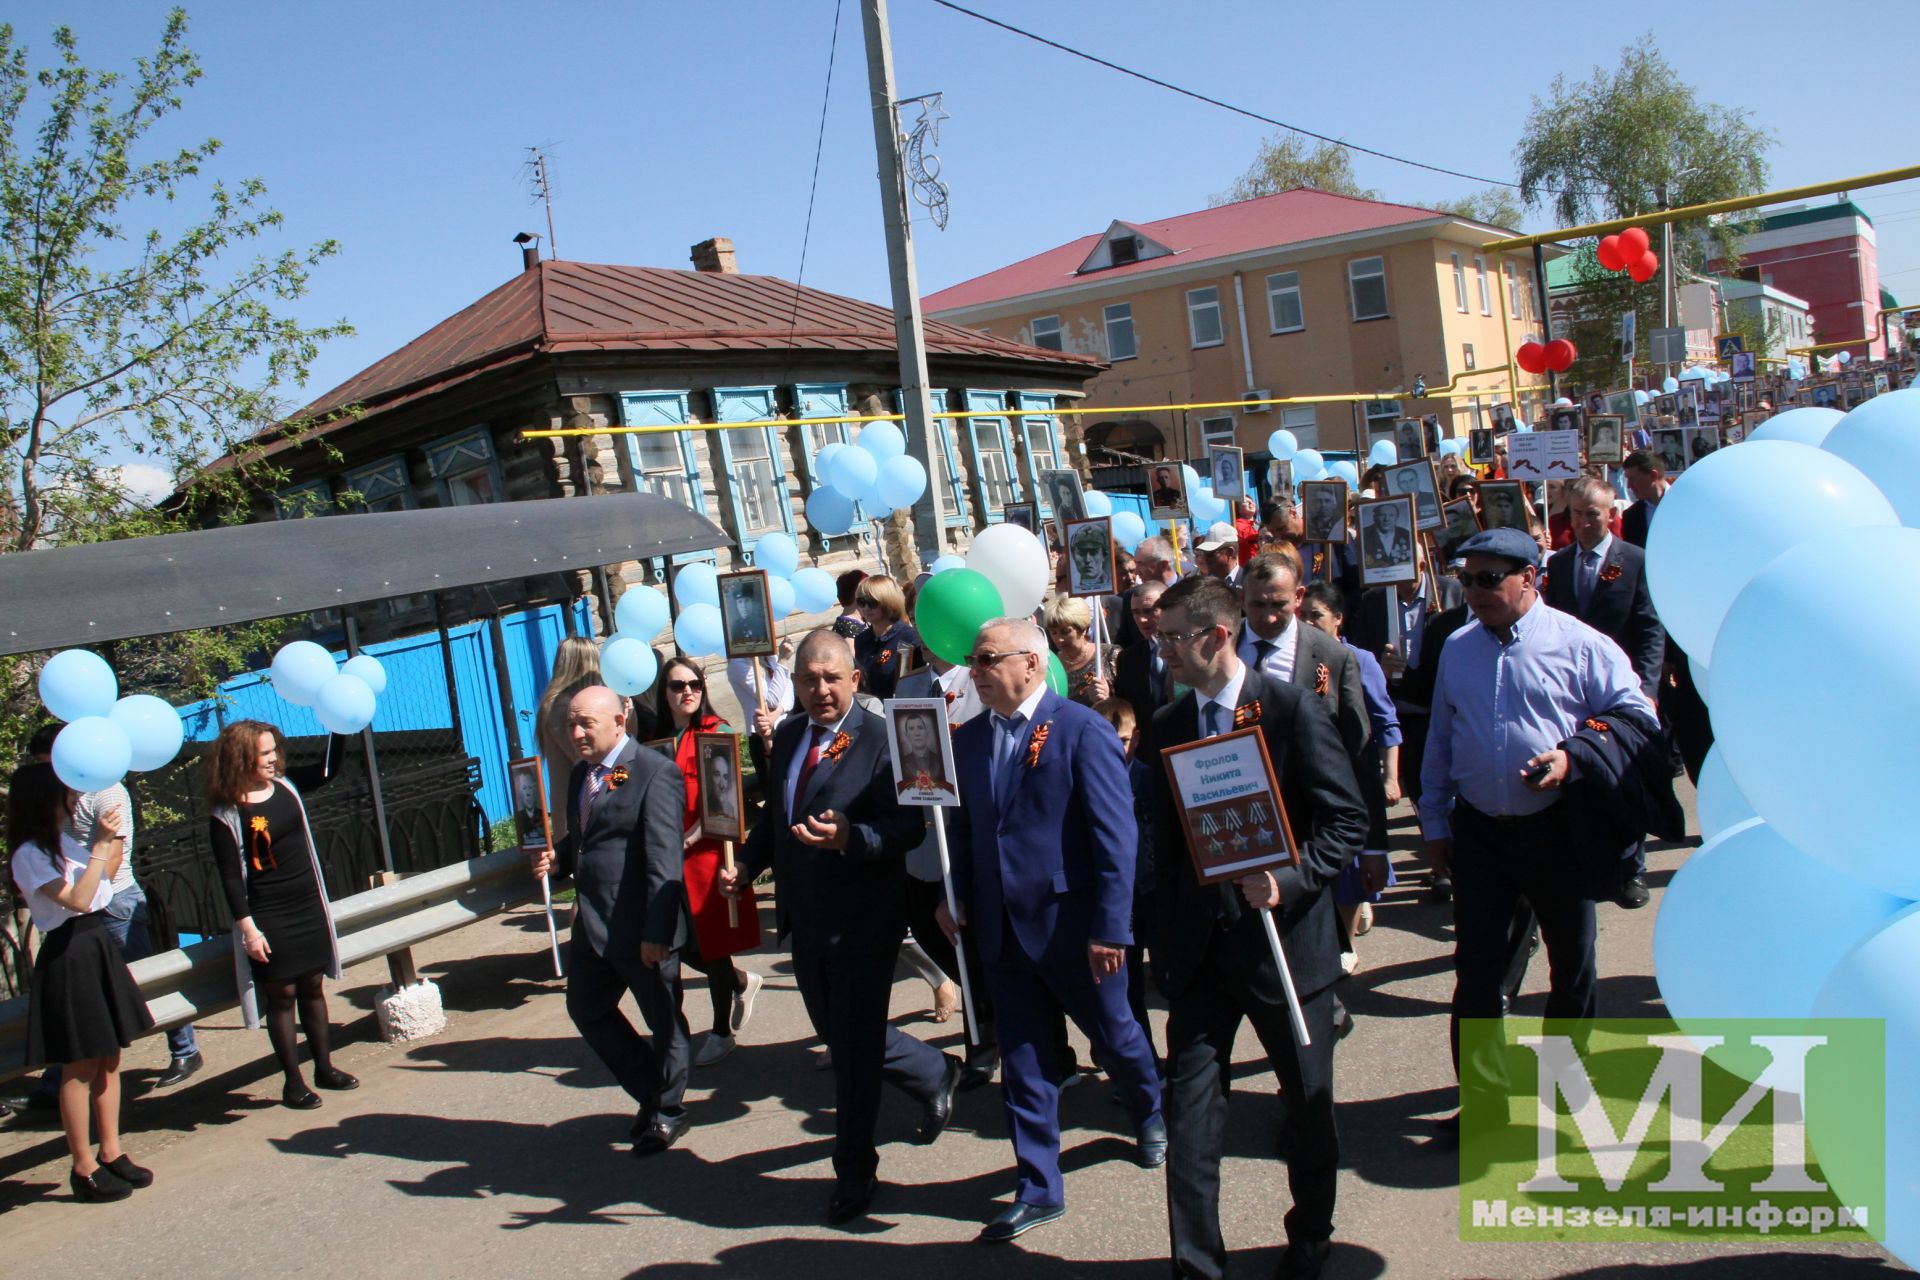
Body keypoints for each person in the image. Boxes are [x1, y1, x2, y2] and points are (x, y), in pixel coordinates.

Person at [1145, 576, 1368, 1280]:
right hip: (1201, 954)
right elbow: (1159, 842)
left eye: (1174, 637)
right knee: (1191, 1120)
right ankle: (1197, 1264)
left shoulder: (1291, 711)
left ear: (1217, 636)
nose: (1164, 651)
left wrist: (1290, 879)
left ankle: (1310, 1232)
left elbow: (1345, 820)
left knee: (1306, 1109)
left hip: (1286, 951)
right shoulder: (1167, 727)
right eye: (1158, 638)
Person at [1419, 529, 1659, 1126]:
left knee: (1570, 965)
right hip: (1479, 831)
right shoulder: (1458, 647)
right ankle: (1483, 1104)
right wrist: (1433, 822)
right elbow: (1441, 741)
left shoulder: (1580, 645)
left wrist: (1573, 757)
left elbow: (1637, 714)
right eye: (1466, 578)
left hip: (1556, 830)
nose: (1472, 591)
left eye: (1488, 578)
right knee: (1476, 973)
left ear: (1529, 578)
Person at [938, 617, 1165, 1244]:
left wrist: (1112, 928)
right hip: (1002, 930)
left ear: (1031, 664)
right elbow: (961, 829)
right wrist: (950, 894)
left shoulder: (1081, 729)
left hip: (1075, 926)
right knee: (1026, 1062)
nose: (975, 671)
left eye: (986, 660)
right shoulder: (970, 740)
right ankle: (1038, 1186)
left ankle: (1149, 1108)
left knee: (1115, 1035)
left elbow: (1117, 839)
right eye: (974, 660)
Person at [721, 631, 959, 1224]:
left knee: (851, 1056)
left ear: (856, 679)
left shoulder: (884, 741)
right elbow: (777, 820)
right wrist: (749, 866)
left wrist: (853, 838)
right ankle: (934, 1070)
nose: (821, 689)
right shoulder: (791, 736)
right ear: (794, 684)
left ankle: (854, 1171)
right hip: (805, 921)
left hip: (863, 921)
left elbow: (908, 830)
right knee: (842, 1034)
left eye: (832, 678)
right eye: (809, 679)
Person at [528, 686, 692, 1154]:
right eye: (571, 725)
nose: (576, 733)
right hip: (593, 924)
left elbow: (664, 859)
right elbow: (586, 837)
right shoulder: (584, 774)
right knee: (586, 1008)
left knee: (664, 1022)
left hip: (640, 925)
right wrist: (558, 860)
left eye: (586, 724)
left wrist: (657, 931)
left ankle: (668, 1112)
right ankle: (652, 1092)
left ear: (619, 721)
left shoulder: (654, 773)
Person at [18, 725, 201, 1098]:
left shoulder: (105, 790)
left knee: (147, 976)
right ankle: (57, 1078)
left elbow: (114, 854)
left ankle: (185, 1049)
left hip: (114, 900)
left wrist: (91, 891)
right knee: (78, 999)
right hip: (76, 908)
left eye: (48, 764)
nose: (47, 774)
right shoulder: (50, 802)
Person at [8, 762, 154, 1201]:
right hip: (69, 952)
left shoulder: (65, 845)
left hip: (95, 946)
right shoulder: (29, 855)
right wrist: (99, 848)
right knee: (79, 1063)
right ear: (43, 800)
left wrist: (109, 843)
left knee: (109, 1056)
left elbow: (103, 884)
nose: (74, 799)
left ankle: (111, 1150)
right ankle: (83, 1165)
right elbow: (77, 898)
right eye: (66, 793)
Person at [206, 722, 357, 1109]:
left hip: (306, 903)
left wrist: (340, 726)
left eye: (275, 750)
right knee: (283, 994)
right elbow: (228, 877)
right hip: (268, 912)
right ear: (242, 758)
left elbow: (327, 771)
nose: (274, 758)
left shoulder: (287, 787)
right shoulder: (226, 813)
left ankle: (325, 1067)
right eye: (264, 753)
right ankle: (293, 1082)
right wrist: (248, 928)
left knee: (312, 985)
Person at [654, 658, 763, 1068]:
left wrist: (694, 835)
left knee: (712, 946)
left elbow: (725, 801)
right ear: (663, 693)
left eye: (695, 684)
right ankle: (740, 981)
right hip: (669, 858)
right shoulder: (659, 739)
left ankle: (721, 1032)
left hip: (708, 855)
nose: (688, 692)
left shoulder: (715, 733)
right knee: (676, 943)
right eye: (677, 685)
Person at [896, 646, 991, 1072]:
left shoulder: (980, 679)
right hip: (923, 835)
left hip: (968, 830)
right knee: (929, 932)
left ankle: (982, 1042)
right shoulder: (908, 684)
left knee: (968, 940)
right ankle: (984, 1014)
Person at [1299, 582, 1398, 950]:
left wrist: (1390, 775)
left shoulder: (1359, 660)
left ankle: (1346, 943)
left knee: (1351, 865)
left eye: (1317, 615)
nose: (1308, 621)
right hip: (1312, 777)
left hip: (1351, 774)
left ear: (1338, 619)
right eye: (1303, 614)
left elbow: (1383, 723)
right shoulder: (1297, 661)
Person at [1238, 554, 1368, 759]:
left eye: (1279, 605)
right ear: (1241, 598)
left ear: (1298, 596)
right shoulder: (1218, 647)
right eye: (1259, 605)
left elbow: (1358, 741)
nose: (1269, 617)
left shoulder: (1335, 656)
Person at [537, 635, 607, 846]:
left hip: (586, 806)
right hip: (576, 815)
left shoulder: (564, 704)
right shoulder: (560, 706)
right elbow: (587, 757)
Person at [1042, 595, 1117, 707]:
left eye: (1065, 631)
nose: (1059, 639)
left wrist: (1107, 698)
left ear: (1083, 628)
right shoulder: (1051, 665)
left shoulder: (1111, 655)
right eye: (1054, 632)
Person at [851, 574, 915, 700]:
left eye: (872, 602)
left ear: (888, 601)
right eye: (861, 602)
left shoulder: (909, 637)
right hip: (869, 712)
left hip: (899, 711)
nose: (866, 608)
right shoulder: (861, 640)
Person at [1361, 502, 1411, 570]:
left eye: (1391, 515)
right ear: (1375, 517)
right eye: (1382, 515)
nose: (1386, 519)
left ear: (1397, 517)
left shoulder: (1406, 534)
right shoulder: (1364, 534)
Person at [724, 579, 771, 649]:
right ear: (736, 605)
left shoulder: (761, 623)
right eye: (740, 602)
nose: (744, 606)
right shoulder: (735, 627)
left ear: (752, 602)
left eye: (747, 601)